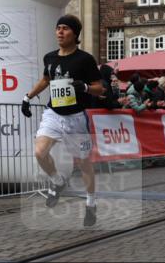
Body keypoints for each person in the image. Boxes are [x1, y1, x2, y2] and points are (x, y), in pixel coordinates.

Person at [20, 15, 103, 227]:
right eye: (58, 28)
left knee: (84, 163)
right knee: (39, 152)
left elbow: (100, 88)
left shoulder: (85, 59)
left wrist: (84, 87)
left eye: (65, 28)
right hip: (54, 113)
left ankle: (91, 203)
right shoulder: (49, 57)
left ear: (75, 34)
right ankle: (57, 181)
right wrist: (27, 97)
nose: (60, 32)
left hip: (75, 117)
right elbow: (46, 80)